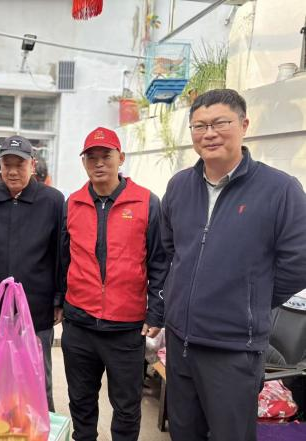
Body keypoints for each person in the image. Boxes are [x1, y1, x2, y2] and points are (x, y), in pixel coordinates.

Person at [160, 89, 306, 441]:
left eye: (220, 123)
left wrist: (251, 298)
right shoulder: (179, 186)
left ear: (244, 125)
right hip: (180, 343)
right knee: (183, 433)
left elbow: (299, 261)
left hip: (233, 351)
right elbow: (170, 249)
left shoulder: (280, 189)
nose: (209, 133)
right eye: (199, 126)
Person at [60, 127, 168, 441]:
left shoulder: (147, 202)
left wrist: (156, 311)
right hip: (79, 324)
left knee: (126, 407)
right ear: (83, 162)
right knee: (81, 402)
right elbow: (62, 258)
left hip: (125, 328)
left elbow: (160, 261)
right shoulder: (73, 203)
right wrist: (59, 302)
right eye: (91, 157)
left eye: (105, 156)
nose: (98, 163)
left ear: (120, 158)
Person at [0, 135, 65, 411]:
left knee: (38, 377)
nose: (12, 171)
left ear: (32, 165)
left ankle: (42, 424)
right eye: (6, 164)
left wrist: (59, 298)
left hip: (37, 308)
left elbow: (59, 254)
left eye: (19, 165)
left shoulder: (53, 201)